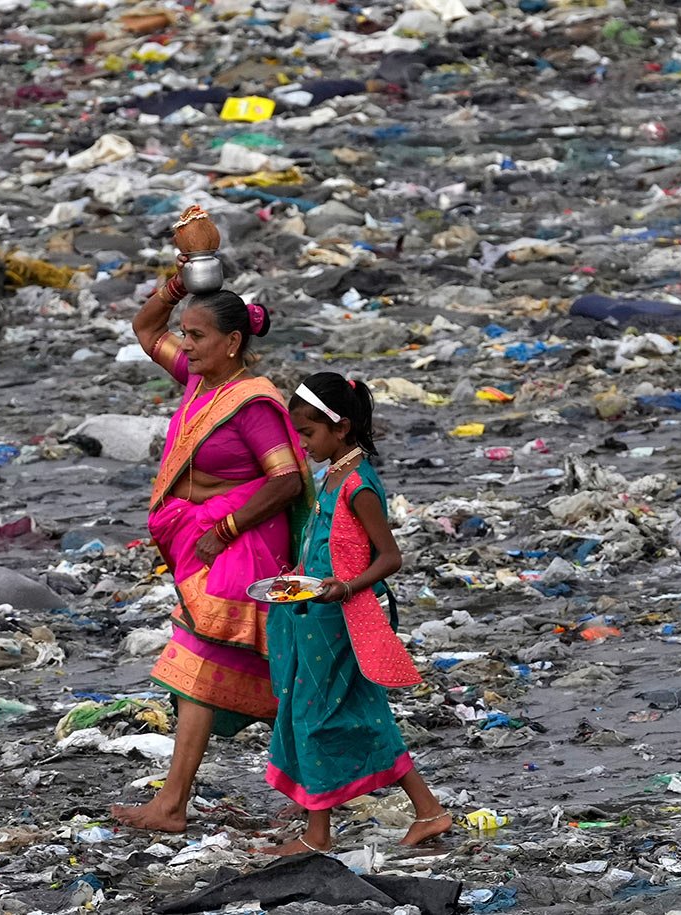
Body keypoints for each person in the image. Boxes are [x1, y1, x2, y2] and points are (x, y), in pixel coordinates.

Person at [111, 260, 309, 834]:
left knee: (213, 657)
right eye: (187, 335)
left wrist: (221, 530)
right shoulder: (200, 381)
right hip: (208, 539)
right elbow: (147, 330)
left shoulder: (251, 403)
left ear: (233, 342)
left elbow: (286, 481)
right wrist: (178, 285)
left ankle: (179, 804)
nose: (186, 344)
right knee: (248, 668)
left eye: (197, 336)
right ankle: (183, 803)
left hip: (241, 543)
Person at [261, 371, 451, 855]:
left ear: (340, 427)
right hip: (316, 614)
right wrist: (300, 575)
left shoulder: (359, 485)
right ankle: (429, 812)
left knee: (314, 717)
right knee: (361, 714)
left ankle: (317, 834)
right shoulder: (333, 476)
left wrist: (344, 586)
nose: (302, 445)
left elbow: (389, 558)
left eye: (308, 434)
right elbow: (324, 545)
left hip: (342, 620)